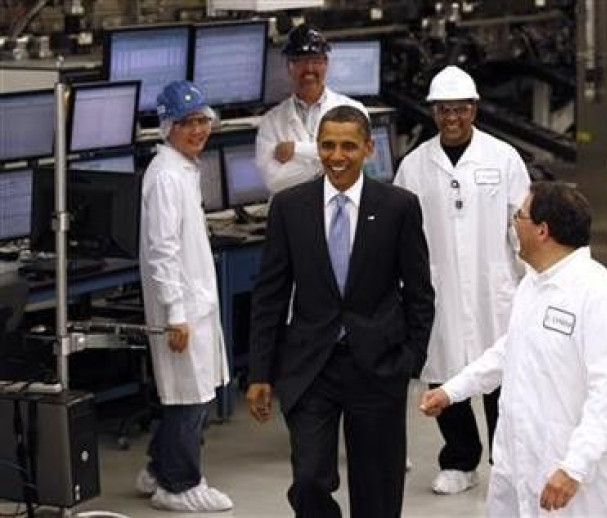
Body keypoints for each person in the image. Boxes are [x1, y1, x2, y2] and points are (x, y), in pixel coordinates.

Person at [246, 105, 435, 518]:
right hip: (311, 366)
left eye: (349, 146)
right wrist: (260, 372)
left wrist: (410, 360)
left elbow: (420, 292)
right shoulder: (290, 207)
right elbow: (270, 295)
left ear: (368, 148)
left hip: (378, 366)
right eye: (328, 145)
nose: (337, 156)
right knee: (310, 480)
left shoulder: (398, 207)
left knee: (378, 491)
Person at [420, 181, 607, 517]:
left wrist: (574, 467)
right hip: (519, 459)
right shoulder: (533, 283)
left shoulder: (597, 295)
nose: (513, 224)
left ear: (542, 231)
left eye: (519, 216)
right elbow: (510, 348)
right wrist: (452, 391)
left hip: (570, 475)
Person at [394, 65, 530, 495]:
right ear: (432, 112)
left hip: (495, 288)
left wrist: (535, 278)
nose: (451, 118)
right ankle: (460, 460)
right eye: (442, 110)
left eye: (460, 109)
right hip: (438, 290)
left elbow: (521, 223)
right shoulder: (415, 165)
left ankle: (503, 462)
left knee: (500, 379)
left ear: (474, 109)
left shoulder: (503, 157)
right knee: (445, 377)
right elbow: (400, 231)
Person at [137, 80, 232, 512]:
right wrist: (176, 314)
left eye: (202, 121)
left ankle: (159, 468)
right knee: (187, 398)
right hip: (181, 310)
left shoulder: (181, 169)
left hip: (194, 304)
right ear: (167, 127)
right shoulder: (166, 177)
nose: (198, 130)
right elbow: (162, 251)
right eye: (187, 123)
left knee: (193, 393)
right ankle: (178, 484)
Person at [256, 23, 368, 194]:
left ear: (326, 64)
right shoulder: (271, 121)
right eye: (300, 61)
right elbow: (273, 182)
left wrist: (297, 150)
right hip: (291, 215)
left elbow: (353, 166)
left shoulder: (353, 109)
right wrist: (326, 164)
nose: (309, 69)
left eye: (315, 61)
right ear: (289, 66)